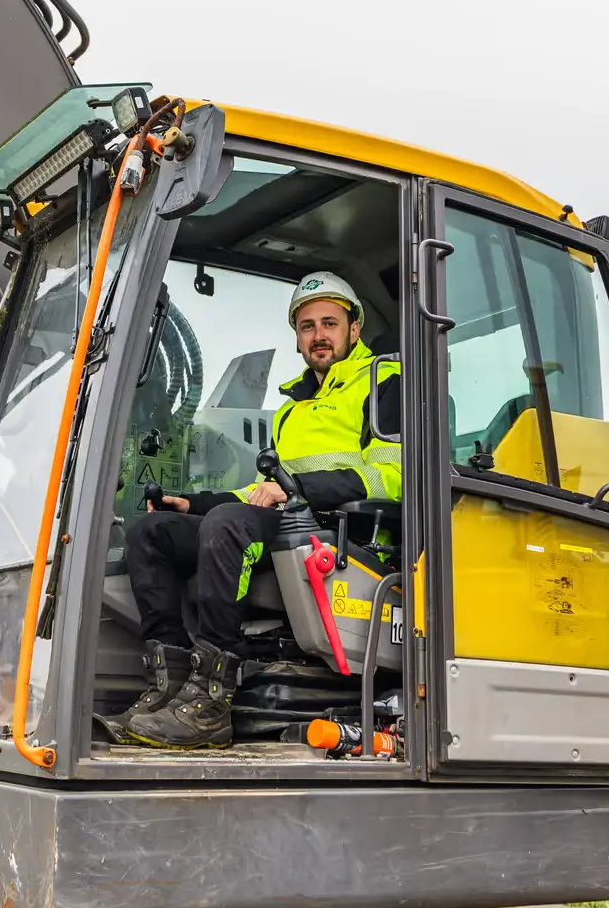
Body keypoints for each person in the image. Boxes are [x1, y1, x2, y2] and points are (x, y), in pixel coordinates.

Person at [116, 271, 401, 749]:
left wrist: (300, 488)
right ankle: (169, 682)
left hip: (344, 531)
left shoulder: (385, 382)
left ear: (354, 329)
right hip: (289, 521)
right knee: (154, 531)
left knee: (229, 525)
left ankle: (213, 696)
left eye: (330, 323)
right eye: (307, 326)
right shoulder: (292, 408)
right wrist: (196, 502)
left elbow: (392, 475)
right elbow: (264, 489)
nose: (319, 336)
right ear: (297, 338)